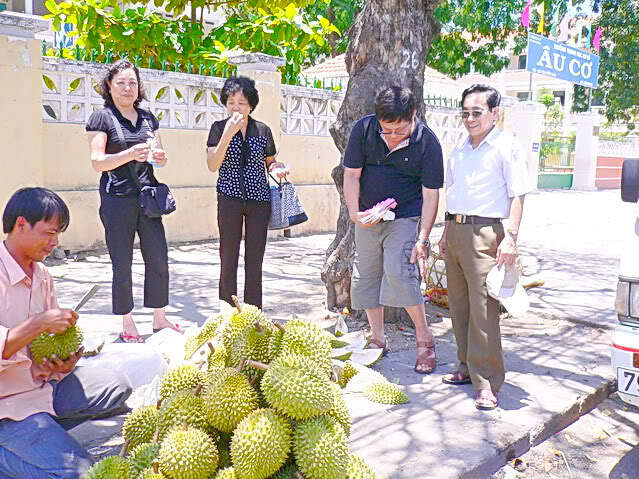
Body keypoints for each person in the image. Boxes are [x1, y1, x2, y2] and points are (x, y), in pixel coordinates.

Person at [0, 187, 132, 479]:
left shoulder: (43, 276)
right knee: (80, 473)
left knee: (116, 385)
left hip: (40, 388)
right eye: (49, 233)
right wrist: (41, 322)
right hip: (6, 405)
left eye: (58, 234)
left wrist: (64, 361)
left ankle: (38, 441)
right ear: (21, 225)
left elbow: (46, 345)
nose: (55, 242)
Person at [438, 84, 532, 410]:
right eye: (465, 113)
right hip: (456, 230)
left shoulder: (507, 147)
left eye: (476, 113)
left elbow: (518, 194)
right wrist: (445, 231)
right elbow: (453, 194)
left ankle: (488, 382)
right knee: (459, 308)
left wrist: (511, 239)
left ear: (495, 113)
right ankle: (466, 368)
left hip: (486, 235)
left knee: (484, 313)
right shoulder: (461, 149)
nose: (469, 119)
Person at [343, 86, 444, 374]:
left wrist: (423, 238)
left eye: (400, 130)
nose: (392, 137)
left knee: (400, 272)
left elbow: (431, 194)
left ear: (413, 115)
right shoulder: (364, 130)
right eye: (386, 130)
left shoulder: (427, 142)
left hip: (406, 216)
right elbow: (351, 175)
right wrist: (354, 214)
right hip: (367, 216)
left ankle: (425, 340)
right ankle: (377, 339)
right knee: (365, 277)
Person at [86, 59, 181, 343]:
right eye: (121, 83)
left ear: (139, 87)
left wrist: (160, 158)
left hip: (147, 198)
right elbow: (97, 162)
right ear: (109, 87)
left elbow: (157, 156)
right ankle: (127, 322)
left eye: (132, 82)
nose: (128, 88)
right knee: (122, 262)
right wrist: (129, 154)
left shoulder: (148, 118)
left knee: (158, 258)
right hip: (117, 199)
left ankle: (159, 317)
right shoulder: (102, 118)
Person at [206, 76, 288, 309]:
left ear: (251, 105)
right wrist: (227, 134)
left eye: (241, 102)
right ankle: (228, 310)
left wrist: (277, 168)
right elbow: (213, 164)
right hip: (229, 197)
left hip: (259, 200)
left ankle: (253, 312)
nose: (235, 107)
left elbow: (270, 161)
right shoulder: (218, 128)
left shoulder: (263, 130)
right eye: (231, 102)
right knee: (228, 256)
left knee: (255, 260)